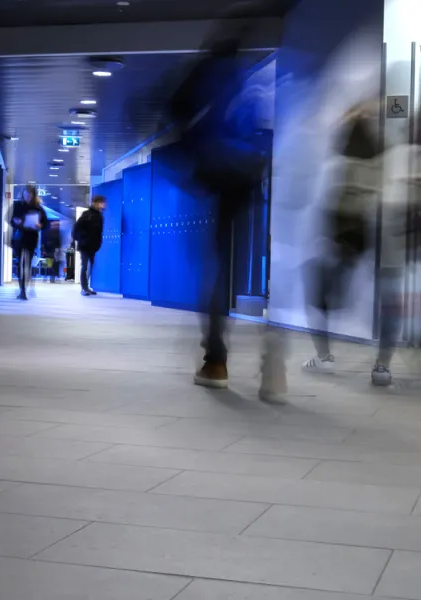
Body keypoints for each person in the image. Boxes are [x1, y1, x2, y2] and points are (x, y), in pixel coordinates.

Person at [166, 22, 286, 402]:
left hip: (214, 177)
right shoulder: (248, 82)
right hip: (246, 181)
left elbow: (173, 115)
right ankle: (274, 340)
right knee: (238, 269)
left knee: (215, 269)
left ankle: (216, 360)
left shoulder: (202, 75)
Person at [303, 102, 384, 381]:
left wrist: (325, 236)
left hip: (340, 236)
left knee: (316, 297)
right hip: (364, 236)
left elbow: (330, 202)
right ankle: (380, 363)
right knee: (344, 290)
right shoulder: (375, 166)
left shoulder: (341, 164)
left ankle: (324, 355)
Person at [8, 185, 49, 300]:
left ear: (33, 195)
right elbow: (11, 220)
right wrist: (17, 221)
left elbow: (45, 223)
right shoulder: (18, 205)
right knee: (20, 263)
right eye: (26, 195)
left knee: (28, 264)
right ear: (23, 194)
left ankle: (25, 287)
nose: (27, 197)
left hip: (31, 238)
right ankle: (22, 290)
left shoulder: (38, 208)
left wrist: (40, 225)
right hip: (19, 238)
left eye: (30, 195)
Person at [73, 196, 106, 296]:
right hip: (85, 245)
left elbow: (99, 232)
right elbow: (76, 229)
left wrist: (99, 243)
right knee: (85, 266)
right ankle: (84, 288)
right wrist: (82, 239)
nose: (103, 205)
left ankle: (86, 287)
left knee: (90, 266)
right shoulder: (87, 214)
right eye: (101, 203)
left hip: (93, 246)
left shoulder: (100, 216)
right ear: (95, 203)